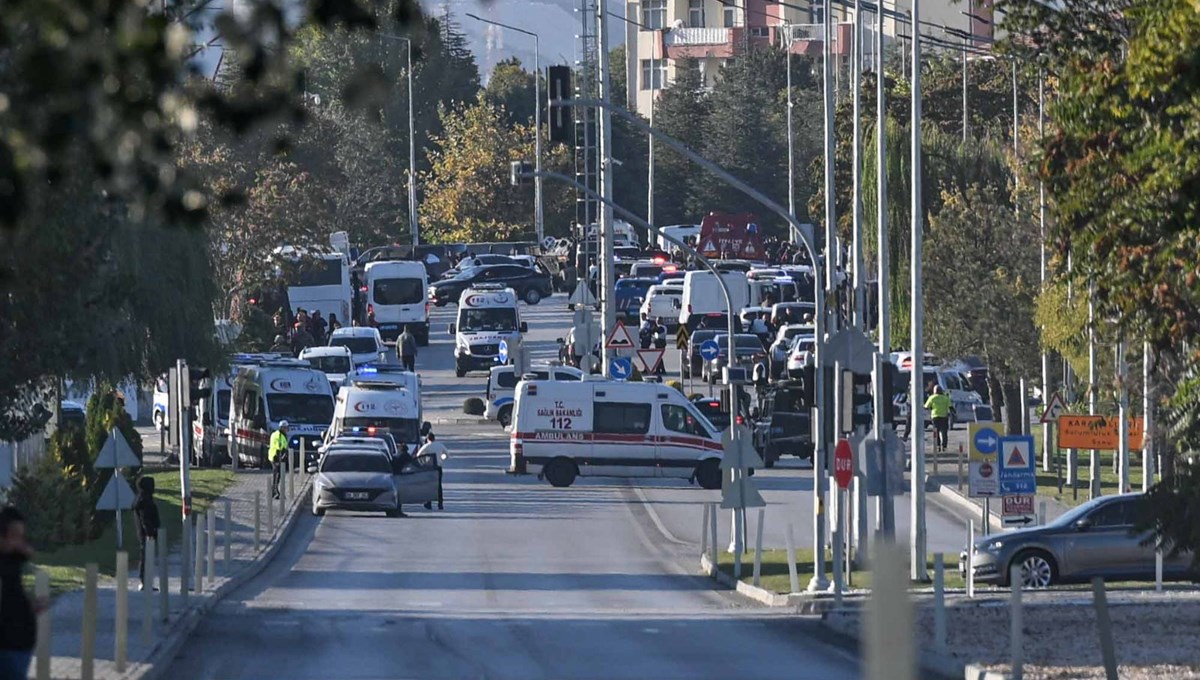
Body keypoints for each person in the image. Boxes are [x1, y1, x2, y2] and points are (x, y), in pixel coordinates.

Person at [0, 506, 43, 679]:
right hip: (8, 644)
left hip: (19, 643)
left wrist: (29, 606)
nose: (18, 541)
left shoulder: (12, 558)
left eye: (21, 535)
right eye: (14, 535)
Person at [133, 477, 161, 591]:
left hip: (148, 533)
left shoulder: (145, 499)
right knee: (146, 557)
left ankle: (147, 581)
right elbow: (145, 518)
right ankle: (144, 581)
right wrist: (150, 532)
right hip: (147, 534)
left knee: (147, 556)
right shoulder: (143, 501)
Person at [415, 433, 448, 511]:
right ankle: (440, 504)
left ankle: (428, 503)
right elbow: (447, 454)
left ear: (428, 439)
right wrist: (441, 459)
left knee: (429, 485)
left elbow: (418, 455)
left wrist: (424, 461)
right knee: (439, 486)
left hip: (430, 468)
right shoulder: (440, 445)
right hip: (438, 467)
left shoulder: (427, 446)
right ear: (434, 438)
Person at [925, 386, 952, 452]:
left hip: (935, 417)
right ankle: (944, 447)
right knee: (944, 432)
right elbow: (951, 407)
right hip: (944, 417)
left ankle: (938, 446)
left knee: (936, 432)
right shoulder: (946, 398)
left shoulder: (932, 398)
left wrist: (931, 408)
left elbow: (926, 407)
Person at [269, 421, 289, 500]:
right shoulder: (279, 435)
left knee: (277, 475)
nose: (287, 429)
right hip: (276, 457)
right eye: (286, 428)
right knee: (277, 475)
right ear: (283, 428)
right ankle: (275, 492)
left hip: (275, 456)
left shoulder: (279, 434)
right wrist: (281, 454)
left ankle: (274, 492)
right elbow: (278, 447)